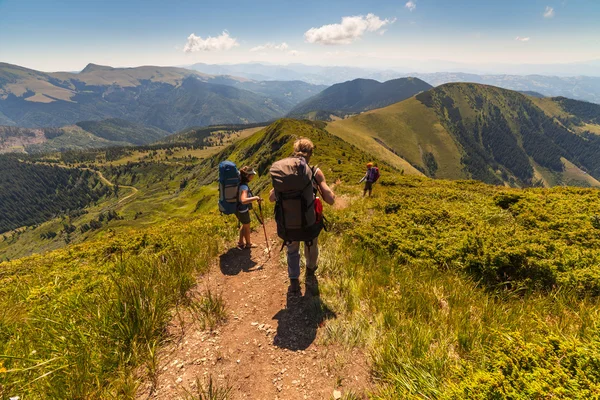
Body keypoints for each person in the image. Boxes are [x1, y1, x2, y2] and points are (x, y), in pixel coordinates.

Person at [269, 138, 335, 293]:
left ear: (294, 151)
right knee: (311, 245)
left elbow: (272, 198)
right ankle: (310, 270)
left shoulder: (284, 172)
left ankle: (293, 280)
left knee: (292, 249)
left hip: (288, 223)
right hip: (308, 223)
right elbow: (330, 199)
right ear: (310, 153)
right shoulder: (314, 171)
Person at [236, 166, 262, 250]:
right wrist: (256, 198)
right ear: (247, 176)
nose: (253, 176)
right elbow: (243, 200)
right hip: (242, 209)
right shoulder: (244, 187)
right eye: (251, 175)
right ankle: (248, 244)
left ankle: (240, 242)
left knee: (244, 224)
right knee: (247, 226)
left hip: (238, 208)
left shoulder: (240, 183)